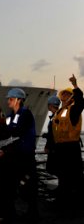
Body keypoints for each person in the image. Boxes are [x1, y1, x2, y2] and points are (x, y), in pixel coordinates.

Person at [0, 87, 39, 222]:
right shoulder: (9, 116)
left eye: (11, 99)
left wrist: (4, 127)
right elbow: (6, 134)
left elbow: (17, 132)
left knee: (27, 183)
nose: (8, 101)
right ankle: (11, 212)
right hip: (13, 155)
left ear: (19, 100)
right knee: (11, 183)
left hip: (25, 155)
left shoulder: (26, 114)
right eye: (8, 99)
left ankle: (32, 212)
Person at [52, 74, 84, 213]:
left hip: (71, 148)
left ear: (71, 98)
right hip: (60, 148)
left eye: (67, 95)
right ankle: (63, 204)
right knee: (63, 177)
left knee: (73, 177)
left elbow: (81, 101)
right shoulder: (60, 112)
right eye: (63, 95)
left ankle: (74, 207)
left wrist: (75, 86)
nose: (64, 97)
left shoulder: (74, 111)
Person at [43, 95, 61, 176]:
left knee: (54, 168)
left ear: (50, 105)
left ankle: (61, 186)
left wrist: (47, 146)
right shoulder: (57, 116)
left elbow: (53, 134)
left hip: (54, 148)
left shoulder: (56, 117)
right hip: (57, 147)